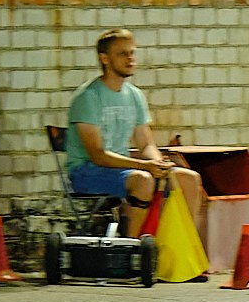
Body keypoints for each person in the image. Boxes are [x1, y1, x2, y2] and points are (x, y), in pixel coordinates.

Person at [65, 29, 204, 237]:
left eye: (132, 53)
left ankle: (179, 255)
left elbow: (145, 144)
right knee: (143, 180)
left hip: (123, 169)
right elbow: (98, 155)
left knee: (190, 179)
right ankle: (132, 250)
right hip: (87, 171)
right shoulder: (88, 97)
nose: (130, 58)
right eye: (122, 54)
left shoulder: (134, 95)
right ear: (104, 59)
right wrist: (144, 166)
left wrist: (158, 164)